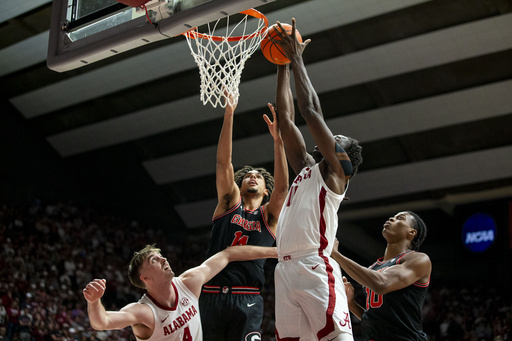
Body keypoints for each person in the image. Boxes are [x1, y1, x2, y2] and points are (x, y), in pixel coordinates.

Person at [271, 19, 363, 341]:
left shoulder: (339, 172)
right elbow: (286, 120)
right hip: (284, 269)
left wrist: (296, 58)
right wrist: (281, 63)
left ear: (343, 153)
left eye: (336, 138)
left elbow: (310, 111)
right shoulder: (307, 168)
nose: (329, 136)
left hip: (314, 264)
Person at [199, 93, 289, 340]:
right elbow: (222, 164)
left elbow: (283, 189)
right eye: (247, 175)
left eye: (258, 177)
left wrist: (278, 141)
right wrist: (229, 114)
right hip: (211, 293)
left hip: (247, 295)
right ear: (239, 185)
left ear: (265, 190)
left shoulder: (269, 216)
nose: (252, 176)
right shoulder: (229, 203)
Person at [83, 244, 277, 341]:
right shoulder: (144, 312)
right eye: (154, 260)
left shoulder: (189, 283)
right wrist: (93, 302)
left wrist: (276, 251)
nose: (163, 259)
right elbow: (102, 322)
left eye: (161, 256)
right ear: (145, 278)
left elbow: (229, 254)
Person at [331, 211, 431, 341]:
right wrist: (351, 304)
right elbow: (374, 319)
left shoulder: (418, 259)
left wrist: (336, 255)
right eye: (393, 217)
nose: (391, 218)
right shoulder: (373, 268)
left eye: (399, 218)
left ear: (411, 232)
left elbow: (382, 285)